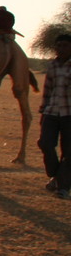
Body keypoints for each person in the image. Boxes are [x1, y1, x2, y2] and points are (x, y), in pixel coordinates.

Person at [38, 33, 71, 199]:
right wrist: (43, 111)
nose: (61, 49)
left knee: (69, 152)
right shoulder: (53, 66)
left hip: (69, 114)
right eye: (58, 46)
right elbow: (47, 90)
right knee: (45, 143)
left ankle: (63, 187)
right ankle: (56, 175)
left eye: (65, 45)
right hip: (52, 111)